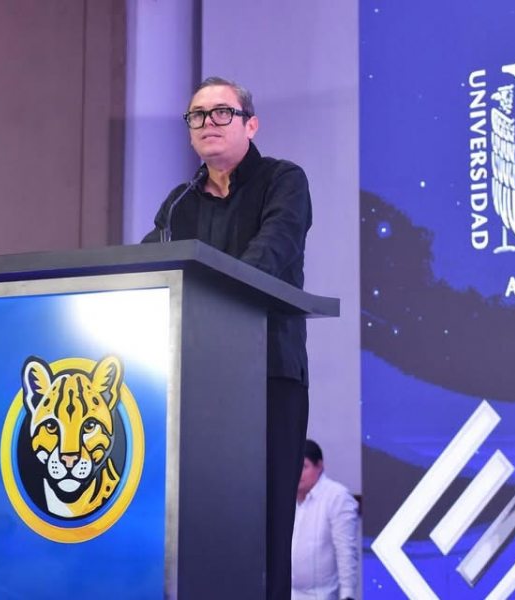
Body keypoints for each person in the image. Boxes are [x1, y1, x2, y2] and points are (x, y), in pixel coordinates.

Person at [142, 76, 312, 599]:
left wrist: (210, 298)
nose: (207, 123)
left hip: (268, 375)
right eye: (197, 115)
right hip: (197, 385)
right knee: (200, 522)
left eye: (221, 113)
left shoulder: (283, 180)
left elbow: (271, 252)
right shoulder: (179, 203)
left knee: (263, 524)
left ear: (250, 124)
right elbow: (145, 268)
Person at [292, 440, 359, 600]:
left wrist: (347, 593)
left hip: (320, 595)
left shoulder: (336, 496)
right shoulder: (284, 496)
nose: (297, 473)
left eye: (304, 467)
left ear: (319, 466)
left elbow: (345, 550)